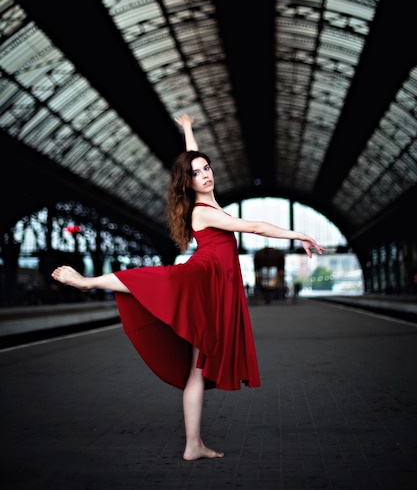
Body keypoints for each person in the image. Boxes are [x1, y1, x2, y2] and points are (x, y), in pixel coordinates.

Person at [52, 113, 325, 461]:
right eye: (197, 173)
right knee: (148, 278)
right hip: (203, 279)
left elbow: (193, 159)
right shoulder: (202, 211)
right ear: (188, 182)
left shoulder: (211, 200)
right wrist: (297, 233)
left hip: (215, 285)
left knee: (196, 370)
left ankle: (193, 445)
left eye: (207, 167)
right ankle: (88, 282)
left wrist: (188, 131)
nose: (206, 174)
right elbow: (254, 226)